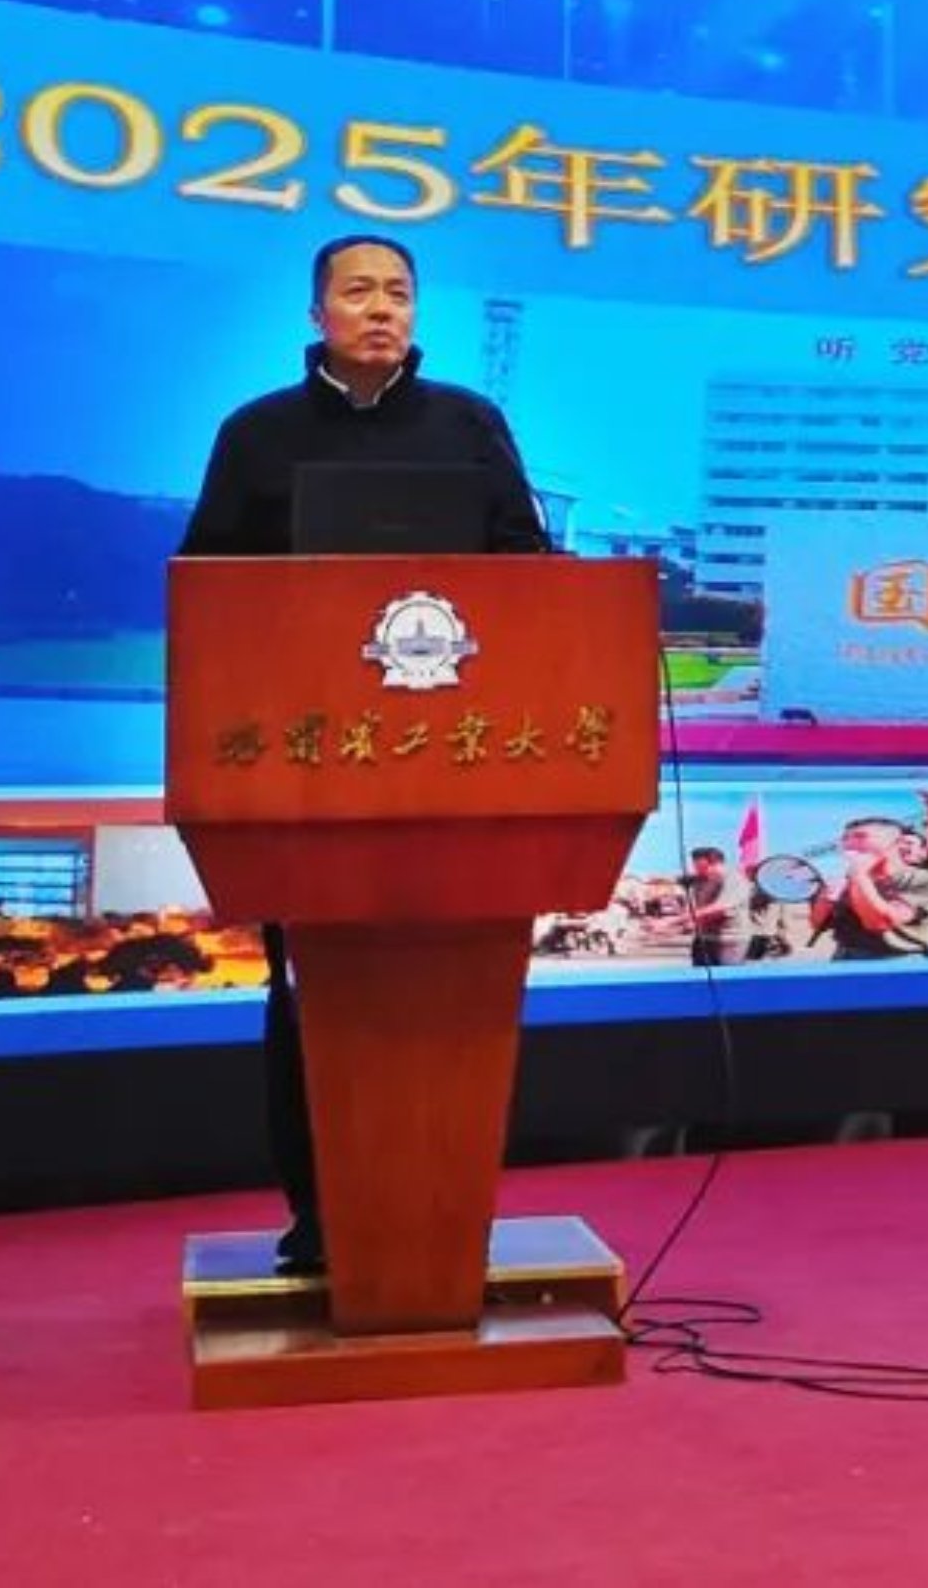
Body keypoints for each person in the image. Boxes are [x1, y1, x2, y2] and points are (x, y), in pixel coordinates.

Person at [177, 233, 558, 1277]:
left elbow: (527, 570)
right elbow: (208, 585)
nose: (382, 308)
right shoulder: (256, 433)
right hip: (310, 768)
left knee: (452, 986)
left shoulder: (469, 424)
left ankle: (441, 1213)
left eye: (398, 292)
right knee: (310, 992)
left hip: (455, 769)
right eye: (358, 292)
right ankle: (322, 1217)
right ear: (318, 314)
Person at [804, 817, 928, 960]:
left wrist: (859, 875)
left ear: (898, 843)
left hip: (899, 962)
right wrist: (826, 897)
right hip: (844, 957)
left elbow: (879, 922)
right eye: (845, 838)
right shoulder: (847, 879)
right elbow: (816, 923)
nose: (849, 844)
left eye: (861, 837)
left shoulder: (926, 880)